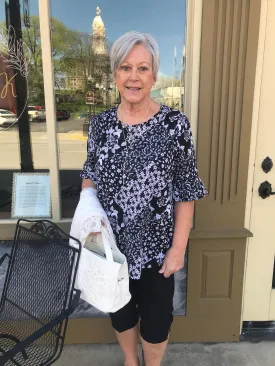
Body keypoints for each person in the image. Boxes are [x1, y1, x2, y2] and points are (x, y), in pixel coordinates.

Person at [80, 31, 208, 366]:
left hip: (157, 251)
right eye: (125, 68)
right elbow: (89, 175)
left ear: (153, 76)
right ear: (115, 75)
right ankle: (129, 360)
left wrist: (178, 249)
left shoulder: (174, 125)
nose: (133, 77)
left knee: (156, 322)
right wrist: (90, 221)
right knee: (120, 315)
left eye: (142, 68)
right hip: (111, 248)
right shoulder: (100, 126)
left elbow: (186, 190)